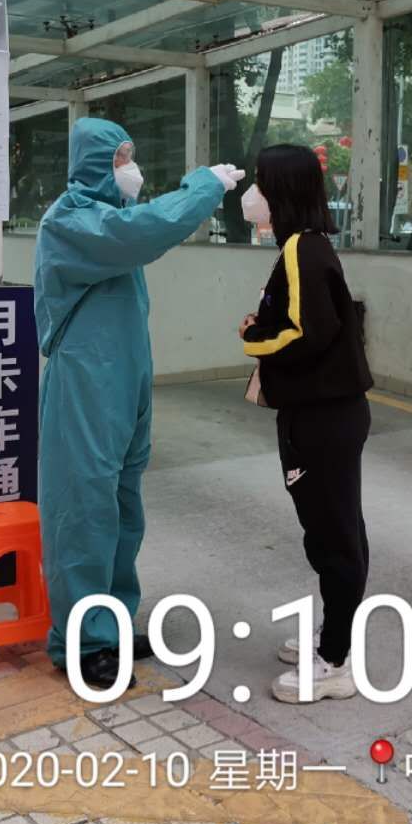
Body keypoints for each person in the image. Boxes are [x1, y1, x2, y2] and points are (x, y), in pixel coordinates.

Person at [34, 117, 243, 689]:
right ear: (94, 163)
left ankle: (113, 624)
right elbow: (147, 231)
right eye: (119, 159)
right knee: (84, 511)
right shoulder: (72, 221)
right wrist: (202, 186)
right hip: (85, 381)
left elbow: (135, 232)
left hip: (123, 378)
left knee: (124, 509)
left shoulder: (109, 218)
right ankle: (82, 643)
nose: (130, 169)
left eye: (130, 155)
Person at [238, 144, 374, 703]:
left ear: (282, 190)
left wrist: (254, 337)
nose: (251, 195)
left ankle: (335, 660)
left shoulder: (301, 249)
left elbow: (306, 334)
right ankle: (333, 636)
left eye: (260, 183)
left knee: (334, 537)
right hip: (323, 413)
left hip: (323, 417)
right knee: (333, 531)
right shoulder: (304, 245)